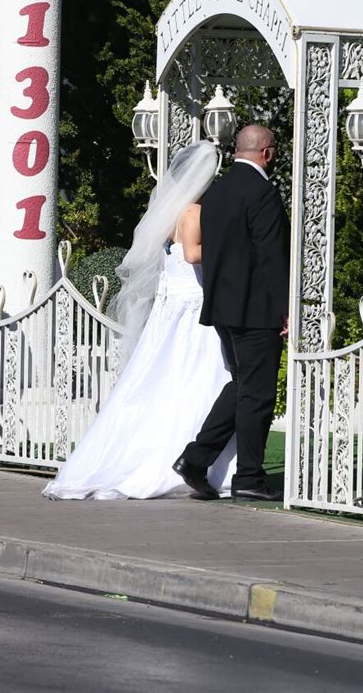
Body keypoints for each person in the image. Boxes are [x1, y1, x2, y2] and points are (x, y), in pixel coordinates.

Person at [43, 141, 236, 500]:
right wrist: (232, 247)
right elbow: (193, 254)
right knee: (196, 378)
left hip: (171, 304)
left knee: (159, 378)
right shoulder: (193, 212)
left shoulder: (168, 213)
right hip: (192, 306)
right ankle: (202, 462)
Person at [173, 125, 290, 502]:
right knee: (257, 395)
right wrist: (284, 309)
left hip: (222, 306)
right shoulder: (263, 193)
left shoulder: (217, 192)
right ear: (267, 153)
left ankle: (195, 458)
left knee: (241, 386)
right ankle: (249, 478)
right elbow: (272, 257)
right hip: (256, 310)